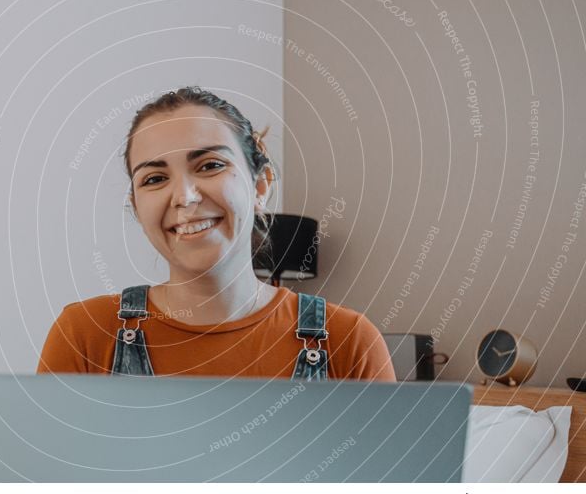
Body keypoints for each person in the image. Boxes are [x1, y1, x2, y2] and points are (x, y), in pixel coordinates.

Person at [37, 87, 396, 381]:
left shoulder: (349, 340)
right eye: (155, 179)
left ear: (260, 184)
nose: (185, 196)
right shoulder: (83, 334)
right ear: (135, 204)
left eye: (210, 166)